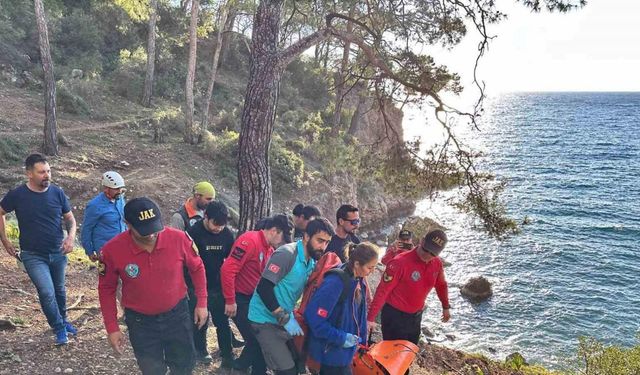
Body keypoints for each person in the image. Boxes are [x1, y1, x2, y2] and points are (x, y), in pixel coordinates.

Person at [98, 197, 208, 375]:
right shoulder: (112, 250)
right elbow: (106, 289)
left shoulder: (178, 238)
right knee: (151, 369)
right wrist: (112, 327)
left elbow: (197, 267)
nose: (151, 235)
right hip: (141, 322)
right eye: (144, 231)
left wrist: (202, 302)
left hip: (177, 315)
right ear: (128, 224)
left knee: (184, 365)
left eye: (154, 228)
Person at [0, 153, 77, 345]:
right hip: (33, 255)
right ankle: (58, 328)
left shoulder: (57, 193)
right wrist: (5, 240)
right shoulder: (17, 195)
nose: (47, 175)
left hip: (58, 251)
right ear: (29, 174)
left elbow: (70, 218)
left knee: (59, 290)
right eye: (42, 172)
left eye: (49, 171)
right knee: (46, 291)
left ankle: (63, 320)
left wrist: (70, 237)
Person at [249, 218, 335, 375]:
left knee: (297, 364)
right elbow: (264, 288)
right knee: (286, 371)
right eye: (320, 241)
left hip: (283, 318)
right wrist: (284, 317)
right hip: (264, 319)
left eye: (327, 243)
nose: (323, 247)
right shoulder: (287, 254)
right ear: (307, 236)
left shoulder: (311, 261)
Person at [221, 214, 293, 375]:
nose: (282, 242)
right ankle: (239, 367)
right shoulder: (250, 240)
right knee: (258, 338)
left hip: (253, 300)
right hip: (240, 298)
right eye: (282, 237)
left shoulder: (269, 248)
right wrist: (230, 300)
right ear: (274, 231)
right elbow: (228, 270)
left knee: (262, 338)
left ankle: (256, 369)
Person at [367, 229, 451, 349]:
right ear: (421, 241)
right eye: (425, 250)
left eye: (432, 253)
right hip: (395, 317)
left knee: (409, 353)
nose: (427, 255)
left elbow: (441, 285)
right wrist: (370, 318)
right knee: (392, 356)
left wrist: (445, 306)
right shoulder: (400, 262)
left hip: (415, 318)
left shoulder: (436, 263)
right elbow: (382, 291)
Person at [305, 242, 379, 375]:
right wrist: (342, 338)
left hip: (344, 354)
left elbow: (360, 313)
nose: (373, 272)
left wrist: (362, 341)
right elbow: (314, 319)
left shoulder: (359, 279)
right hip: (331, 354)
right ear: (357, 264)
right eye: (370, 268)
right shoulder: (335, 282)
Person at [170, 181, 216, 364]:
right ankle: (189, 350)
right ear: (197, 196)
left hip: (207, 270)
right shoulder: (179, 217)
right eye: (208, 199)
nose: (211, 202)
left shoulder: (209, 213)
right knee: (190, 313)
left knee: (204, 312)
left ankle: (201, 348)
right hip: (187, 274)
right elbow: (174, 247)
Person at [187, 201, 236, 368]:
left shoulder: (227, 235)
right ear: (206, 217)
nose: (218, 228)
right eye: (216, 224)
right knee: (200, 321)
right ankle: (201, 350)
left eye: (222, 225)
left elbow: (232, 261)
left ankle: (227, 355)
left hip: (217, 285)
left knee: (222, 322)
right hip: (196, 286)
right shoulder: (193, 233)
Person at [81, 171, 126, 261]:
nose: (120, 191)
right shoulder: (94, 205)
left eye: (121, 189)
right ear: (106, 189)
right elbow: (86, 229)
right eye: (116, 189)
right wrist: (89, 251)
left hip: (123, 246)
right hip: (106, 250)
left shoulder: (119, 199)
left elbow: (124, 220)